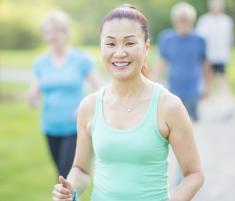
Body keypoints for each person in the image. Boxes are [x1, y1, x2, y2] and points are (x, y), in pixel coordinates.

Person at [51, 5, 204, 201]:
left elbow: (194, 174)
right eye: (111, 44)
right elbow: (81, 169)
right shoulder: (89, 106)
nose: (120, 53)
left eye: (130, 43)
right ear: (101, 48)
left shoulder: (168, 106)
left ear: (146, 47)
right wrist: (69, 191)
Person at [26, 10, 100, 178]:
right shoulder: (40, 63)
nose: (52, 36)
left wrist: (85, 109)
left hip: (74, 128)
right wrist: (32, 98)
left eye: (56, 31)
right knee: (61, 174)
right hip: (50, 127)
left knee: (66, 176)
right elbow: (34, 95)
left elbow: (100, 89)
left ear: (66, 33)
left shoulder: (81, 59)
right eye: (48, 33)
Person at [156, 2, 211, 122]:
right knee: (173, 121)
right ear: (174, 20)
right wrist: (155, 84)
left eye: (186, 19)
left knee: (191, 122)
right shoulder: (167, 38)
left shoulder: (200, 40)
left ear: (192, 20)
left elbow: (205, 65)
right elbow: (160, 64)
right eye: (180, 19)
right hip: (173, 89)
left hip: (193, 88)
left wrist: (208, 87)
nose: (183, 22)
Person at [196, 0, 234, 117]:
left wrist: (228, 54)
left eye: (218, 5)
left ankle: (225, 105)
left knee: (223, 81)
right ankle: (206, 106)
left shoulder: (227, 21)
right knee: (208, 81)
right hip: (208, 56)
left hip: (222, 56)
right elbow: (200, 39)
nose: (216, 7)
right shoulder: (204, 20)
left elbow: (230, 39)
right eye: (214, 5)